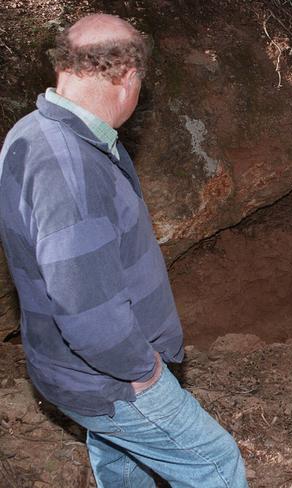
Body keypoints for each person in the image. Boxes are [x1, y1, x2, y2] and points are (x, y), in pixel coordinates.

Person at [0, 14, 247, 487]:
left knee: (123, 464)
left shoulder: (37, 131)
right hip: (110, 379)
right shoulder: (69, 164)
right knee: (215, 463)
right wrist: (142, 371)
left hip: (78, 371)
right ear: (129, 77)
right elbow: (83, 303)